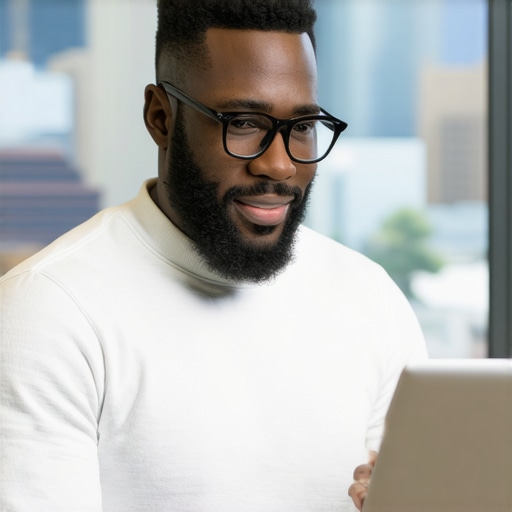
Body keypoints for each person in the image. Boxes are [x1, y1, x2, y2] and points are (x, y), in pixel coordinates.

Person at [0, 1, 427, 511]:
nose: (279, 165)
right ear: (161, 118)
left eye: (302, 126)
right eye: (244, 123)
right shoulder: (49, 311)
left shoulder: (369, 297)